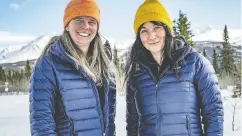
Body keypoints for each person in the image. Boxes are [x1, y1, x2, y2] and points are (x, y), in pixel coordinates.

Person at [125, 0, 224, 136]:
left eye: (156, 27)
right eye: (144, 30)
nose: (151, 35)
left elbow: (214, 112)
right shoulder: (136, 74)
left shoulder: (195, 63)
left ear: (166, 29)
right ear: (139, 37)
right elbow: (132, 123)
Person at [29, 0, 116, 136]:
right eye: (78, 20)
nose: (85, 26)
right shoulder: (48, 64)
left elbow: (109, 121)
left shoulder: (105, 65)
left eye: (92, 22)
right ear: (67, 26)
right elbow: (42, 124)